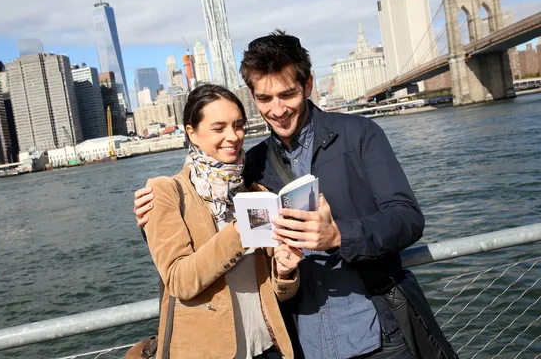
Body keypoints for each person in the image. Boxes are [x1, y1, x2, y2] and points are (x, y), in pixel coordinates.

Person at [135, 32, 456, 359]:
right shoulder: (253, 167)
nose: (277, 110)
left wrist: (338, 236)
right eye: (263, 99)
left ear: (309, 85)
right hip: (301, 344)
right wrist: (152, 214)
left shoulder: (359, 136)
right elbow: (205, 194)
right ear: (252, 95)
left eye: (287, 94)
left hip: (378, 334)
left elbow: (408, 218)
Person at [139, 84, 302, 359]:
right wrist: (241, 230)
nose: (233, 136)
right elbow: (180, 281)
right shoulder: (166, 191)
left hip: (268, 347)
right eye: (219, 128)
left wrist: (285, 273)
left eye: (238, 125)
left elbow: (277, 291)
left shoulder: (256, 193)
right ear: (192, 133)